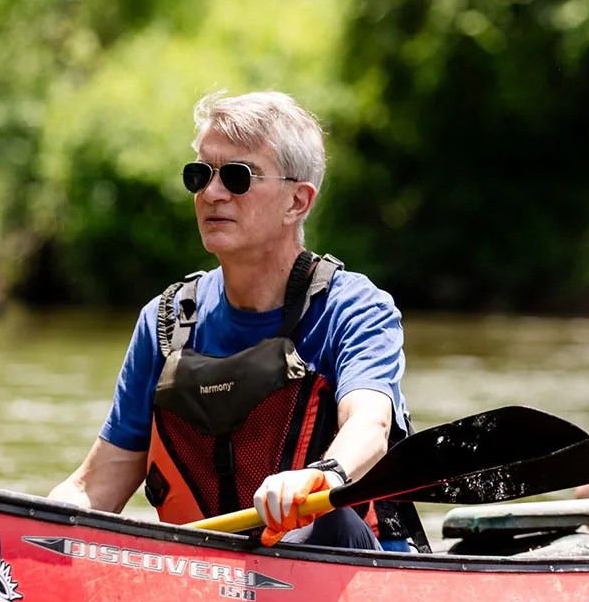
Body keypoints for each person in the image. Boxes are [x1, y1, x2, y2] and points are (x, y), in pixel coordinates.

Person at [48, 89, 426, 553]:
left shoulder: (354, 307)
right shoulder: (165, 324)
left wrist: (320, 477)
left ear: (297, 203)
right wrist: (25, 529)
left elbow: (370, 425)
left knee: (327, 523)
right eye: (200, 175)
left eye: (237, 176)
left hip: (345, 562)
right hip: (205, 581)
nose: (211, 192)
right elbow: (93, 491)